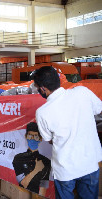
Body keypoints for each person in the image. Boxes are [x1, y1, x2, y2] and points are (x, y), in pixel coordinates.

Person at [33, 66, 102, 199]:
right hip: (90, 163)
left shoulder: (43, 112)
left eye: (37, 87)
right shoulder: (82, 92)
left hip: (66, 169)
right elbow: (99, 109)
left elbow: (49, 139)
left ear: (43, 89)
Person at [12, 122, 51, 195]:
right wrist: (36, 169)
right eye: (30, 136)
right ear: (26, 136)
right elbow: (23, 184)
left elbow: (43, 188)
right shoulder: (18, 158)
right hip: (22, 194)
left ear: (40, 139)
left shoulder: (46, 161)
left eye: (36, 136)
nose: (32, 139)